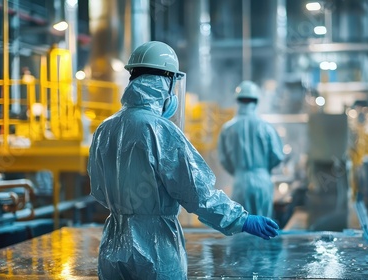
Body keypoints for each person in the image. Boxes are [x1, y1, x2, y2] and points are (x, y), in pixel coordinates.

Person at [88, 41, 279, 280]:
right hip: (155, 248)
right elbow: (197, 194)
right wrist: (241, 219)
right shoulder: (160, 129)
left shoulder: (105, 129)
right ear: (164, 82)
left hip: (114, 245)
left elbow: (97, 189)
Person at [217, 81, 285, 218]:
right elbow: (277, 155)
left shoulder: (228, 128)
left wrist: (238, 172)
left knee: (242, 224)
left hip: (240, 180)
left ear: (238, 100)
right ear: (257, 101)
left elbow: (223, 160)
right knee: (264, 225)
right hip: (263, 179)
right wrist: (264, 169)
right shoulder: (266, 127)